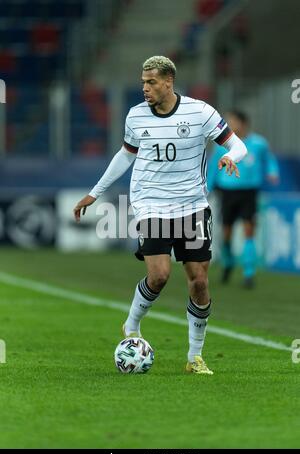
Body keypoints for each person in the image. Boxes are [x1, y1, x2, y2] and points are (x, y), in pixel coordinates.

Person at [73, 56, 247, 374]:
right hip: (151, 204)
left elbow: (238, 146)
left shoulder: (200, 112)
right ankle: (132, 324)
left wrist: (229, 157)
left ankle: (195, 357)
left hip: (193, 206)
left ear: (169, 82)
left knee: (199, 281)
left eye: (151, 82)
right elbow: (125, 156)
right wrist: (95, 192)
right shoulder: (136, 116)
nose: (145, 88)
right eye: (143, 82)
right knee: (160, 275)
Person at [207, 110, 279, 288]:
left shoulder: (259, 143)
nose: (229, 124)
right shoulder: (221, 146)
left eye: (232, 121)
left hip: (249, 192)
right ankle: (228, 263)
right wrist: (206, 188)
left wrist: (272, 172)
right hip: (228, 192)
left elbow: (269, 160)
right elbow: (213, 169)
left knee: (249, 230)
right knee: (227, 233)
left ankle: (248, 273)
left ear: (243, 123)